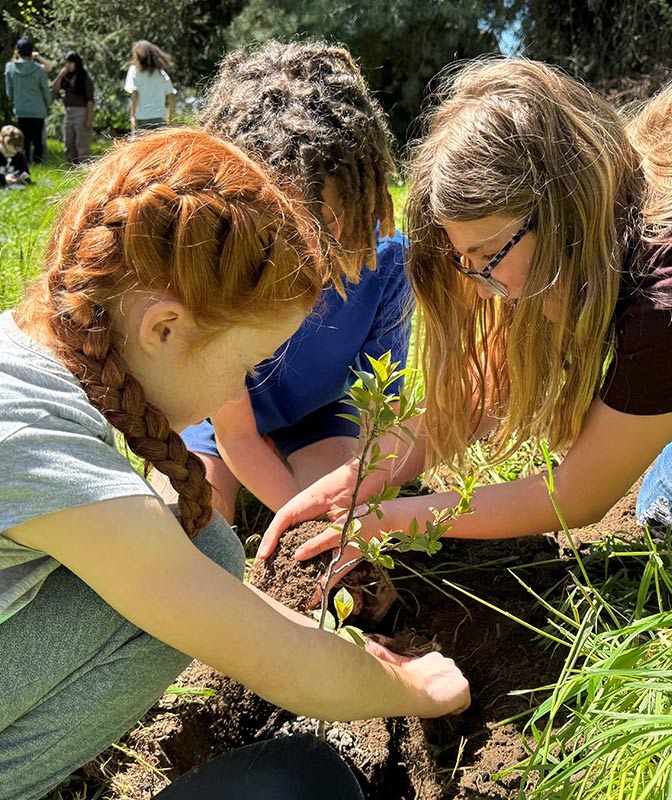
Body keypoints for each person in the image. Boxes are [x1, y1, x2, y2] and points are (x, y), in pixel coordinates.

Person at [0, 128, 469, 800]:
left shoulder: (29, 362)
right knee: (303, 782)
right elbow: (281, 663)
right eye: (245, 367)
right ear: (163, 328)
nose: (232, 396)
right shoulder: (32, 441)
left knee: (210, 551)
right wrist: (415, 686)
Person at [262, 57, 672, 566]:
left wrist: (391, 521)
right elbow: (485, 391)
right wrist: (364, 475)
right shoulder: (601, 214)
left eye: (484, 259)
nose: (480, 289)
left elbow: (578, 497)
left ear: (557, 210)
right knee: (667, 520)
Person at [171, 41, 412, 522]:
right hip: (214, 415)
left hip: (319, 415)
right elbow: (235, 434)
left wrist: (324, 522)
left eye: (330, 217)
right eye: (288, 227)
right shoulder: (213, 260)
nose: (319, 246)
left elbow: (378, 417)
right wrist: (295, 520)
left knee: (342, 504)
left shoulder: (386, 262)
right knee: (193, 524)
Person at [3, 38, 51, 163]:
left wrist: (14, 100)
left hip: (21, 108)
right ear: (31, 53)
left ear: (17, 52)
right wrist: (47, 103)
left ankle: (25, 163)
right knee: (38, 141)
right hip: (38, 109)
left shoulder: (10, 68)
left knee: (24, 139)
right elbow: (45, 89)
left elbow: (9, 91)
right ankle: (38, 163)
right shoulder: (38, 69)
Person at [123, 40, 176, 133]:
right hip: (159, 119)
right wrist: (169, 119)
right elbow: (171, 95)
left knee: (139, 147)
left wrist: (132, 116)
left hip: (141, 119)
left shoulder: (134, 70)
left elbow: (135, 94)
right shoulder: (161, 73)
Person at [51, 51, 94, 163]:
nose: (67, 65)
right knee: (68, 142)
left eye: (70, 63)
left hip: (81, 112)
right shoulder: (66, 77)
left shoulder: (84, 78)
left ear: (76, 63)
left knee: (81, 143)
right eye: (66, 63)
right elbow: (55, 88)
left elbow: (90, 100)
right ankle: (71, 167)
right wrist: (60, 75)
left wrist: (89, 119)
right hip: (68, 113)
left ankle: (83, 167)